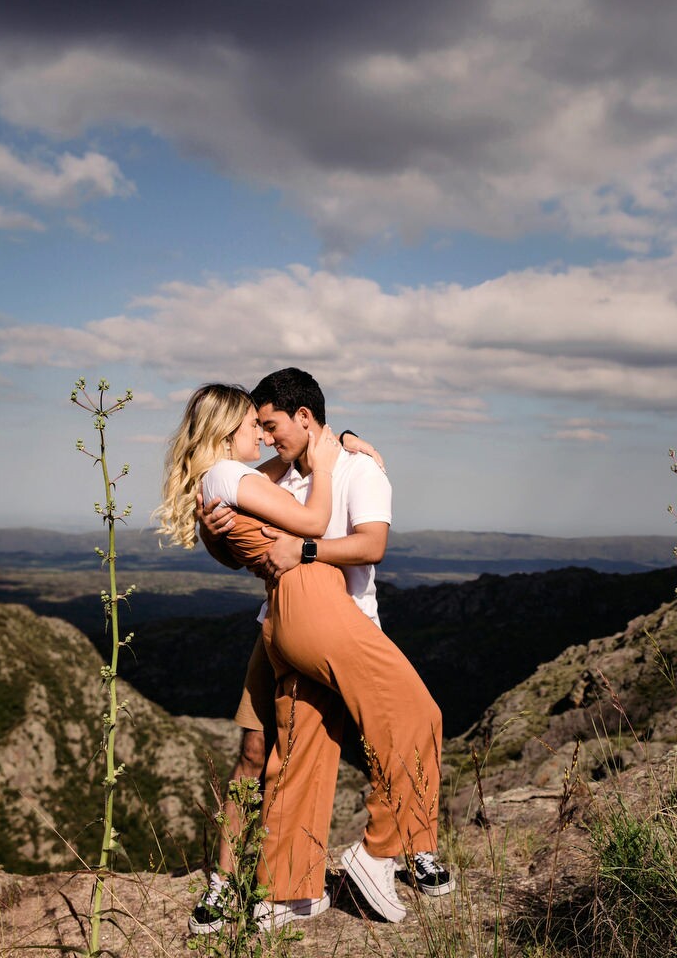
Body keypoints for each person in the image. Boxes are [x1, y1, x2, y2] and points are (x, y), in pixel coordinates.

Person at [156, 372, 449, 933]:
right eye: (254, 426)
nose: (264, 437)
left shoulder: (351, 469)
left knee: (302, 749)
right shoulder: (263, 476)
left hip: (330, 615)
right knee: (269, 749)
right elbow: (250, 537)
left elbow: (372, 544)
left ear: (304, 420)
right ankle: (375, 855)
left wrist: (340, 453)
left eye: (270, 425)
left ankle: (286, 891)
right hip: (294, 618)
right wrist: (219, 533)